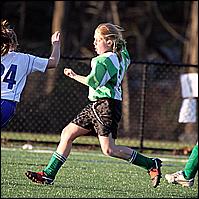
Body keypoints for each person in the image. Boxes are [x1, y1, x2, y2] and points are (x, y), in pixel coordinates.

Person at [25, 22, 162, 188]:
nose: (95, 43)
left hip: (105, 106)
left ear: (110, 42)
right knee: (67, 133)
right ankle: (48, 174)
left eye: (98, 40)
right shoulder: (122, 56)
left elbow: (93, 82)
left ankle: (150, 164)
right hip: (100, 105)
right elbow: (122, 47)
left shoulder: (102, 60)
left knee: (109, 149)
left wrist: (73, 75)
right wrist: (113, 34)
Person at [1, 19, 61, 128]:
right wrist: (56, 44)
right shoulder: (25, 59)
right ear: (15, 43)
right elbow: (53, 62)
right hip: (7, 104)